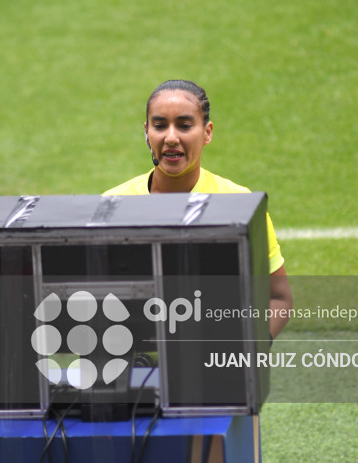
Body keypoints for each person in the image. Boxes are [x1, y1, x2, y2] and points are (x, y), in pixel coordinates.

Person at [104, 79, 292, 338]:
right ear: (147, 132)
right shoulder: (112, 205)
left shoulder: (240, 204)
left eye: (184, 125)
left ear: (207, 132)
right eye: (160, 126)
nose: (171, 138)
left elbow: (279, 298)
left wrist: (242, 355)